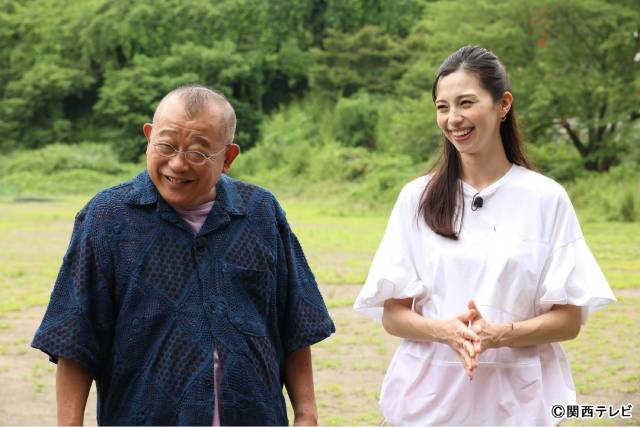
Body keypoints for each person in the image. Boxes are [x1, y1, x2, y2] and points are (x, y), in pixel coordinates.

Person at [32, 84, 335, 426]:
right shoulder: (107, 218)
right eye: (166, 145)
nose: (177, 163)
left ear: (228, 158)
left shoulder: (261, 212)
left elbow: (293, 320)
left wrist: (307, 415)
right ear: (148, 137)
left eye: (198, 153)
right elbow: (76, 335)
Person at [353, 46, 616, 425]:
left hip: (517, 406)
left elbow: (569, 321)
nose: (453, 118)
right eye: (442, 107)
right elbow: (393, 315)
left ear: (503, 104)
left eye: (465, 103)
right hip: (427, 403)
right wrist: (443, 330)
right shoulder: (416, 198)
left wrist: (500, 334)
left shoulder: (546, 198)